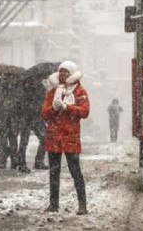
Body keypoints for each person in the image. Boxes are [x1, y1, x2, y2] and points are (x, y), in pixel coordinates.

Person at [40, 61, 90, 215]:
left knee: (75, 172)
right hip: (54, 137)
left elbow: (85, 112)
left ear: (72, 73)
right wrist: (54, 108)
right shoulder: (52, 91)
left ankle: (82, 205)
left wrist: (67, 107)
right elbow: (44, 113)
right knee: (54, 173)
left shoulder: (80, 91)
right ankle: (53, 204)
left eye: (66, 72)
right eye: (61, 72)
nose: (62, 75)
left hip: (70, 137)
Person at [0, 74, 22, 169]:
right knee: (2, 140)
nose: (7, 79)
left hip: (13, 118)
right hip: (1, 118)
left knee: (13, 139)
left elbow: (20, 102)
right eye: (5, 77)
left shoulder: (15, 87)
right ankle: (3, 161)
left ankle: (14, 160)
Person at [17, 77, 49, 170]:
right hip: (30, 117)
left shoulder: (38, 87)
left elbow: (43, 102)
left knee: (43, 139)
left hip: (33, 117)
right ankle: (27, 163)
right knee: (27, 141)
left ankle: (26, 163)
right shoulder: (28, 87)